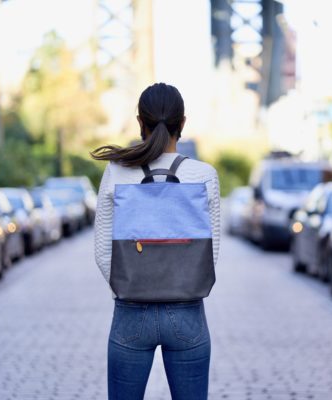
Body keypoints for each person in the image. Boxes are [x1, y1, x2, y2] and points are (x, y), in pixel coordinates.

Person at [91, 83, 221, 400]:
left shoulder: (117, 171)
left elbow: (101, 251)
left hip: (130, 314)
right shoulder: (204, 175)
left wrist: (132, 285)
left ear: (140, 123)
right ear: (183, 123)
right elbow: (210, 255)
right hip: (187, 314)